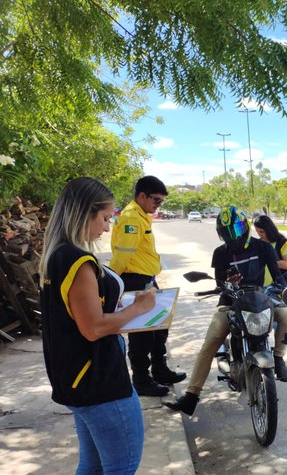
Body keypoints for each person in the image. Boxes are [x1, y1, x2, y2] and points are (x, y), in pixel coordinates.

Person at [39, 177, 157, 474]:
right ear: (84, 213)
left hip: (78, 378)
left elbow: (77, 316)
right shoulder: (77, 261)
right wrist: (138, 309)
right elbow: (93, 328)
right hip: (99, 381)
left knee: (92, 466)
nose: (106, 228)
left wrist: (115, 308)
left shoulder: (57, 256)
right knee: (122, 466)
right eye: (105, 218)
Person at [164, 206, 287, 416]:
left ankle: (278, 357)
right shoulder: (220, 253)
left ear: (245, 227)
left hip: (259, 297)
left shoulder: (263, 247)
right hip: (230, 302)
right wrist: (228, 283)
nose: (233, 235)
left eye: (236, 229)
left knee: (286, 316)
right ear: (221, 234)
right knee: (211, 342)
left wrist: (282, 289)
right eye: (227, 232)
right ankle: (191, 395)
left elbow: (277, 276)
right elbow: (219, 283)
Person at [110, 175, 186, 397]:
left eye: (162, 201)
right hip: (135, 280)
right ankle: (142, 380)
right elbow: (122, 255)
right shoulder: (131, 218)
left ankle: (160, 370)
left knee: (159, 326)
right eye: (156, 200)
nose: (158, 205)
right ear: (142, 196)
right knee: (143, 334)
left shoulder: (141, 215)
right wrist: (111, 282)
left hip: (147, 279)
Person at [253, 213, 287, 283]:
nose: (260, 235)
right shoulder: (258, 243)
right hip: (262, 285)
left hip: (278, 286)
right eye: (257, 232)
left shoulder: (282, 243)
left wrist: (269, 261)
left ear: (269, 229)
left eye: (262, 232)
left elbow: (286, 265)